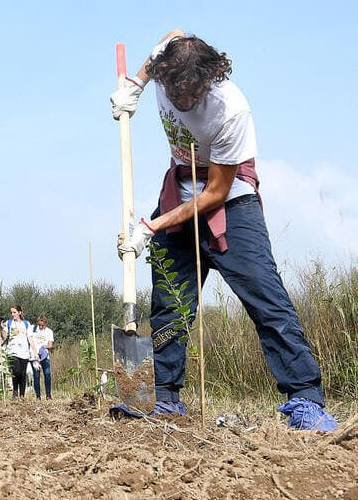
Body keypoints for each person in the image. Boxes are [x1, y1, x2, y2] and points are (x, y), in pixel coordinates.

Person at [112, 31, 337, 431]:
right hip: (178, 190)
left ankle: (305, 398)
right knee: (170, 306)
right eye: (174, 93)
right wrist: (137, 83)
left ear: (209, 78)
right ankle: (163, 397)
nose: (182, 103)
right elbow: (174, 35)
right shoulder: (165, 68)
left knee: (266, 298)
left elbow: (215, 193)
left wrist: (151, 226)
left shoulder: (231, 109)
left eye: (191, 95)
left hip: (230, 200)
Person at [0, 305, 32, 399]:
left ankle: (22, 395)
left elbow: (30, 337)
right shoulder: (9, 323)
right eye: (11, 312)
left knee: (23, 374)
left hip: (24, 352)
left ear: (19, 312)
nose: (12, 314)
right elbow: (5, 337)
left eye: (14, 312)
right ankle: (15, 392)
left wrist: (34, 350)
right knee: (16, 371)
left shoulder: (26, 324)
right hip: (12, 351)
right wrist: (2, 328)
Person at [30, 315, 55, 400]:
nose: (40, 327)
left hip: (45, 356)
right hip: (35, 356)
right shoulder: (33, 330)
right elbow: (30, 339)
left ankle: (48, 395)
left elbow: (51, 345)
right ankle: (38, 396)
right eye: (39, 325)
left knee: (47, 374)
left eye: (42, 325)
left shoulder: (49, 332)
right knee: (36, 376)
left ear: (46, 324)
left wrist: (46, 346)